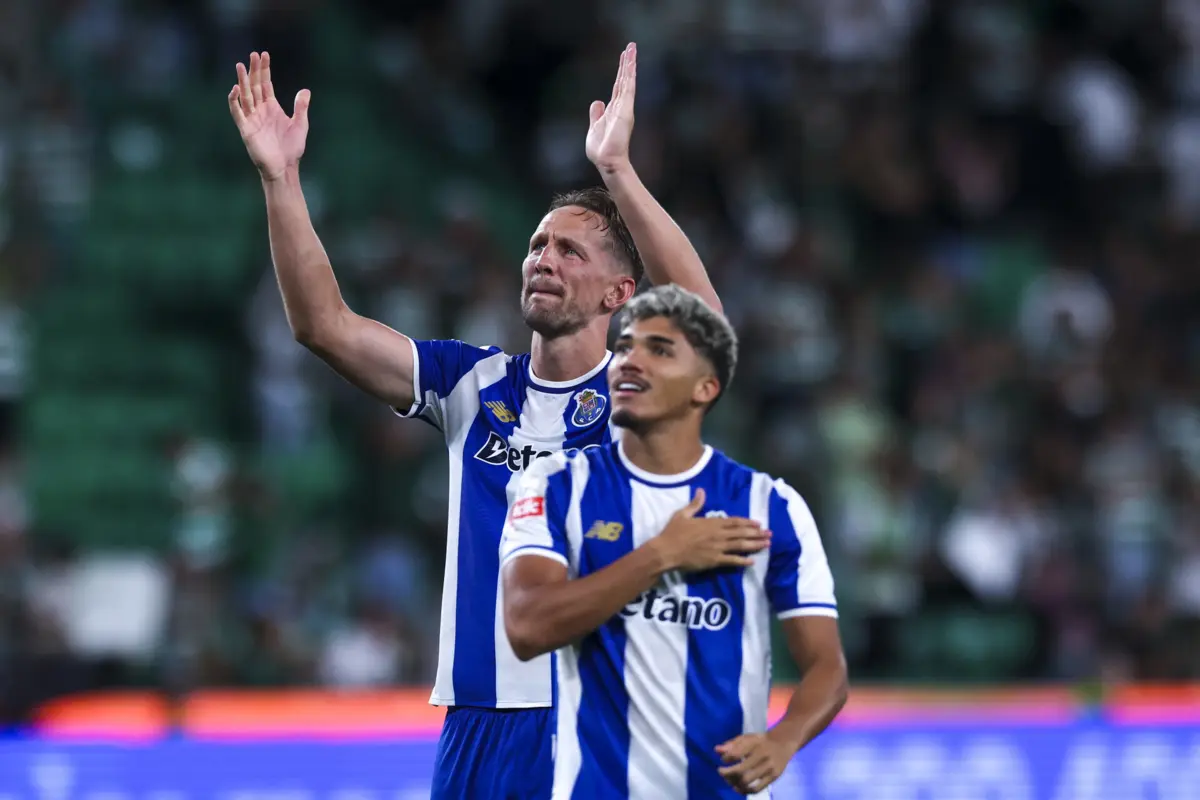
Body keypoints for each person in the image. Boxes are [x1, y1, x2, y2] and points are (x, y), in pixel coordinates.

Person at [226, 43, 721, 799]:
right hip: (474, 722)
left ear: (621, 291)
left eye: (568, 249)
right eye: (536, 245)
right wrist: (280, 180)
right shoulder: (472, 383)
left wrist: (618, 172)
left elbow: (707, 323)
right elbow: (323, 325)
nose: (543, 258)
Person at [500, 285, 849, 798]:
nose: (628, 361)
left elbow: (828, 667)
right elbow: (526, 627)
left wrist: (783, 740)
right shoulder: (554, 486)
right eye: (624, 347)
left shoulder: (769, 506)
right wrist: (663, 554)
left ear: (705, 388)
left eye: (658, 350)